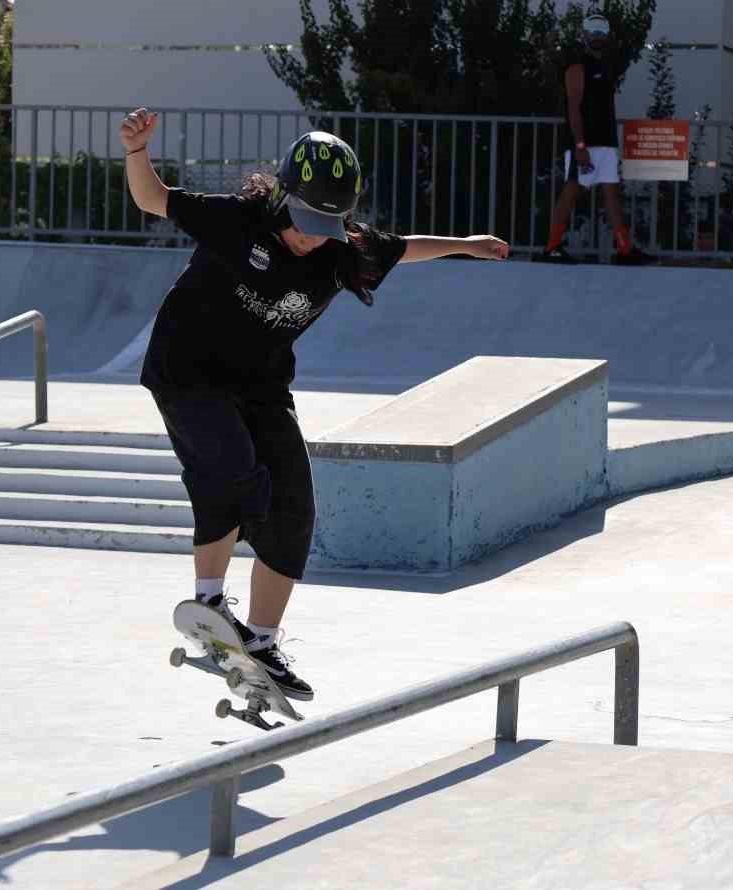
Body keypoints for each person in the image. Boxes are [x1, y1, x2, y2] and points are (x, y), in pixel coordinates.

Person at [120, 109, 508, 700]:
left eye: (321, 225)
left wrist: (467, 246)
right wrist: (136, 150)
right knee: (231, 469)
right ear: (279, 196)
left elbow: (402, 248)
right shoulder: (235, 220)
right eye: (300, 221)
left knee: (295, 507)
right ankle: (208, 605)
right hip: (188, 374)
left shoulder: (342, 249)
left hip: (261, 384)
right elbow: (153, 199)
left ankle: (262, 642)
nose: (307, 236)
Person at [535, 13, 655, 265]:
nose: (598, 36)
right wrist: (580, 145)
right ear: (584, 35)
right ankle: (552, 247)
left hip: (607, 142)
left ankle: (624, 249)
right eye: (593, 31)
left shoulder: (608, 68)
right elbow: (574, 108)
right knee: (571, 191)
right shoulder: (577, 69)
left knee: (612, 194)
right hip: (585, 144)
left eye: (602, 31)